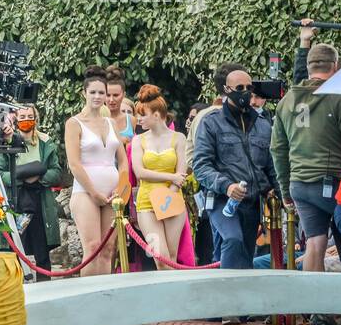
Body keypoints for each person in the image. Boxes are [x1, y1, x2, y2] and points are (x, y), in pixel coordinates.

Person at [271, 43, 341, 278]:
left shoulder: (286, 101)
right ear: (335, 67)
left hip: (299, 184)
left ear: (308, 67)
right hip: (334, 182)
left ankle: (317, 312)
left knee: (315, 243)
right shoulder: (340, 98)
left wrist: (285, 188)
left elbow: (277, 148)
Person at [192, 66, 279, 272]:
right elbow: (201, 166)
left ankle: (235, 297)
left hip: (252, 202)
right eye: (239, 87)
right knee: (233, 240)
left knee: (245, 257)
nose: (245, 91)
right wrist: (227, 186)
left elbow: (270, 165)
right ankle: (227, 297)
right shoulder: (211, 123)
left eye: (249, 87)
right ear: (226, 90)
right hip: (222, 199)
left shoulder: (263, 125)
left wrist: (277, 191)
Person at [64, 66, 128, 277]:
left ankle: (106, 299)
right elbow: (74, 164)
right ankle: (89, 301)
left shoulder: (110, 123)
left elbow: (122, 160)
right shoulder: (74, 123)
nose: (98, 96)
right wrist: (93, 192)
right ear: (84, 93)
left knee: (109, 249)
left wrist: (120, 189)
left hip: (112, 193)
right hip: (86, 192)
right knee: (92, 248)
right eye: (93, 92)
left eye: (102, 92)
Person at [130, 85, 189, 269]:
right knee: (160, 257)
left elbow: (181, 173)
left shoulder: (179, 138)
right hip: (147, 201)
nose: (138, 119)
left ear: (156, 115)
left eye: (143, 114)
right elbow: (140, 172)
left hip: (171, 199)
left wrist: (169, 194)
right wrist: (170, 178)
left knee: (171, 256)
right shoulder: (138, 140)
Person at [0, 104, 62, 279]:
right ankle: (15, 284)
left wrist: (38, 178)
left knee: (42, 247)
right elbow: (0, 172)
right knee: (15, 246)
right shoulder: (8, 142)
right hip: (17, 197)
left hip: (40, 198)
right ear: (15, 119)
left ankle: (45, 284)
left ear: (36, 118)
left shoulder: (45, 141)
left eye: (30, 117)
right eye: (22, 117)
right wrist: (21, 178)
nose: (26, 121)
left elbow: (56, 172)